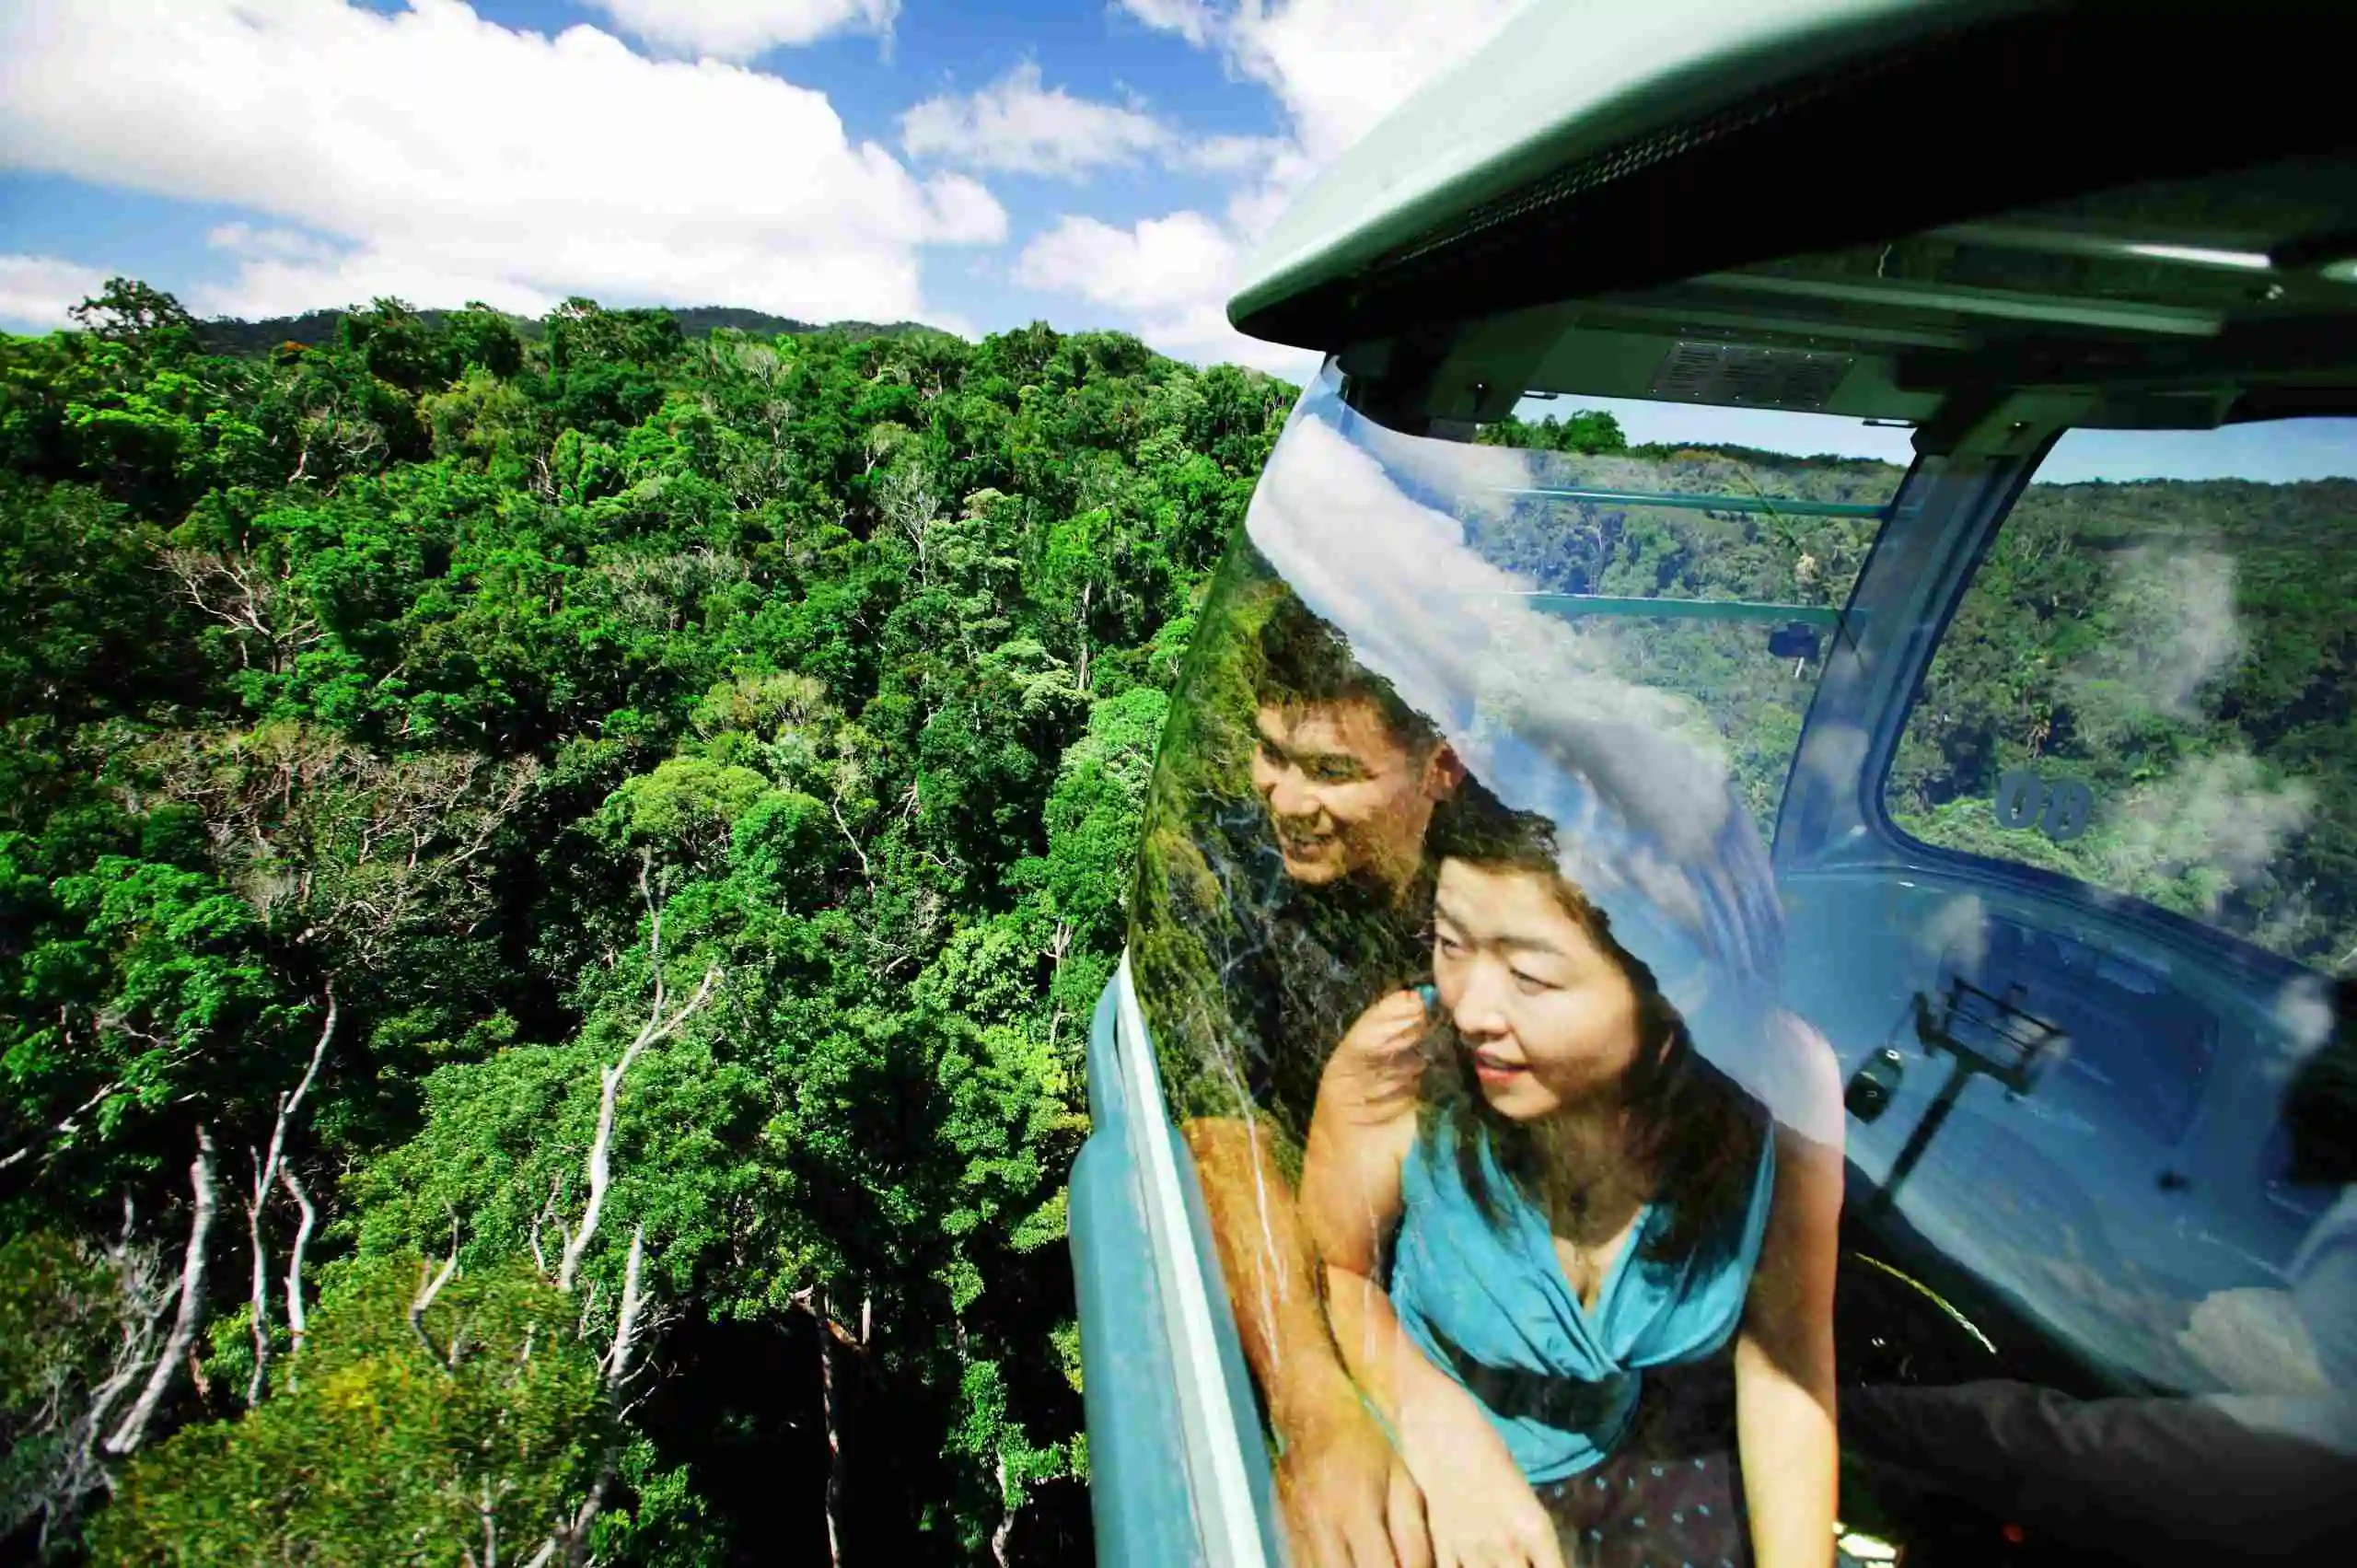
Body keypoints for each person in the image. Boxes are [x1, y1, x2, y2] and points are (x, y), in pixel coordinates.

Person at [1300, 780, 1840, 1568]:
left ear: (1677, 990)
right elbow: (1324, 1277)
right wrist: (1434, 1425)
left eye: (1531, 976)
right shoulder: (1401, 1063)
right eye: (1450, 942)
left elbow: (1786, 1363)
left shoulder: (1779, 1094)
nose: (1471, 1007)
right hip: (1415, 1439)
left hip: (1625, 1459)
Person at [1143, 578, 1463, 1568]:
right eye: (1270, 754)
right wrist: (1312, 1405)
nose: (1285, 799)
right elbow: (1221, 1130)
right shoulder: (1226, 875)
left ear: (1438, 770)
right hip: (1328, 1252)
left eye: (1330, 769)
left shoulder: (1496, 871)